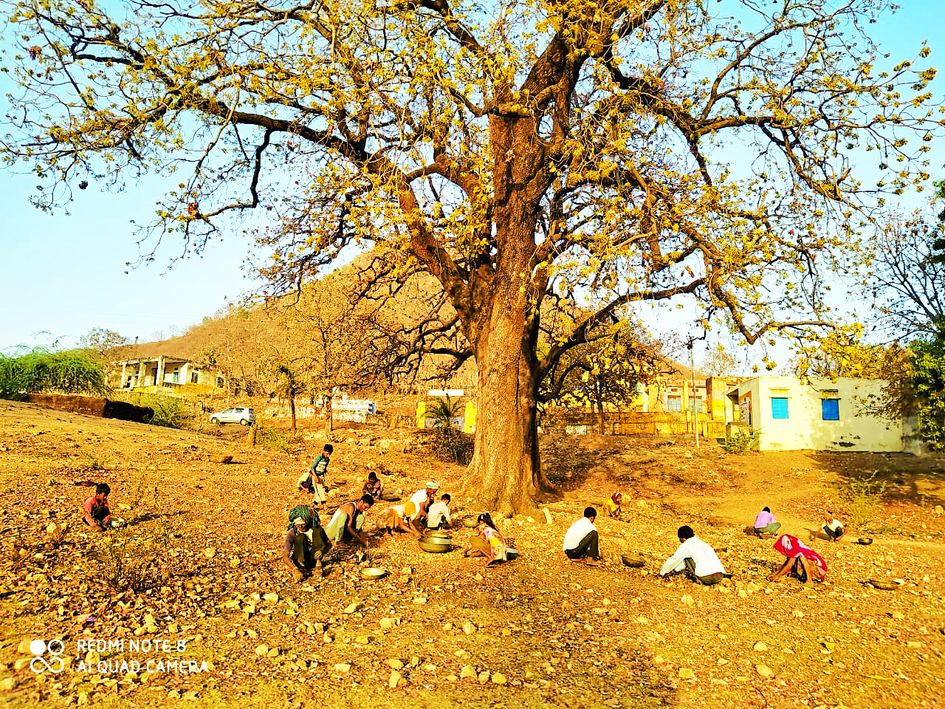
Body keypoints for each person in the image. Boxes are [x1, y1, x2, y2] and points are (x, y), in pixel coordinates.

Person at [659, 525, 727, 585]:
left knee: (686, 558)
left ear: (683, 538)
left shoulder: (686, 545)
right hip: (720, 575)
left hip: (707, 577)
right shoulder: (702, 543)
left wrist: (663, 572)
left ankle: (697, 579)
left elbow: (675, 559)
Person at [284, 514, 331, 582]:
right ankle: (301, 566)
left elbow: (329, 544)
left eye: (302, 524)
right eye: (298, 525)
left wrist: (322, 551)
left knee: (316, 533)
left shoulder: (316, 529)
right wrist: (294, 569)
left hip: (314, 559)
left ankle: (318, 565)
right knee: (301, 537)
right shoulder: (292, 533)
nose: (300, 526)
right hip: (299, 559)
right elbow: (285, 554)